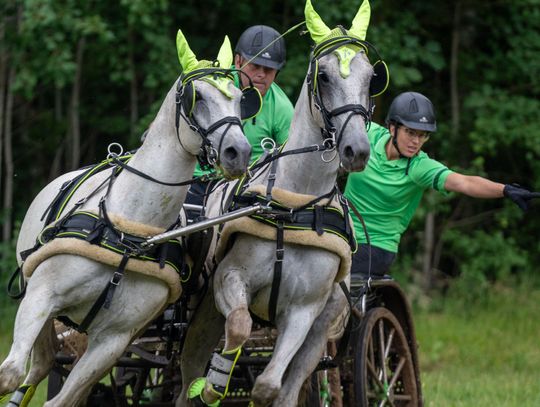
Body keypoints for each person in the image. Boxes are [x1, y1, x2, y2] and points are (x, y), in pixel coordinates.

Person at [344, 91, 540, 278]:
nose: (416, 141)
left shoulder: (419, 167)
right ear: (393, 128)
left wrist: (504, 190)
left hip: (376, 247)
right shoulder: (367, 135)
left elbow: (465, 182)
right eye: (411, 132)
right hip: (342, 230)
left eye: (423, 135)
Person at [185, 25, 294, 215]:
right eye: (255, 66)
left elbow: (291, 164)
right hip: (197, 183)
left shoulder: (283, 109)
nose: (261, 74)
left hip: (245, 192)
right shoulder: (213, 86)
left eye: (269, 69)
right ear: (237, 61)